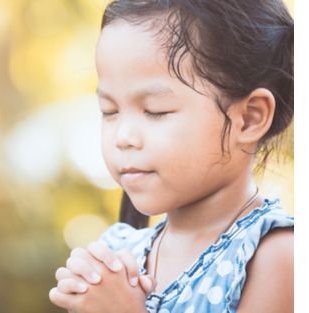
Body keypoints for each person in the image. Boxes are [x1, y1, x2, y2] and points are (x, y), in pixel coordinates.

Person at [49, 0, 294, 312]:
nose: (123, 137)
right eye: (109, 111)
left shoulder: (277, 256)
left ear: (249, 118)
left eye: (155, 111)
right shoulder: (119, 254)